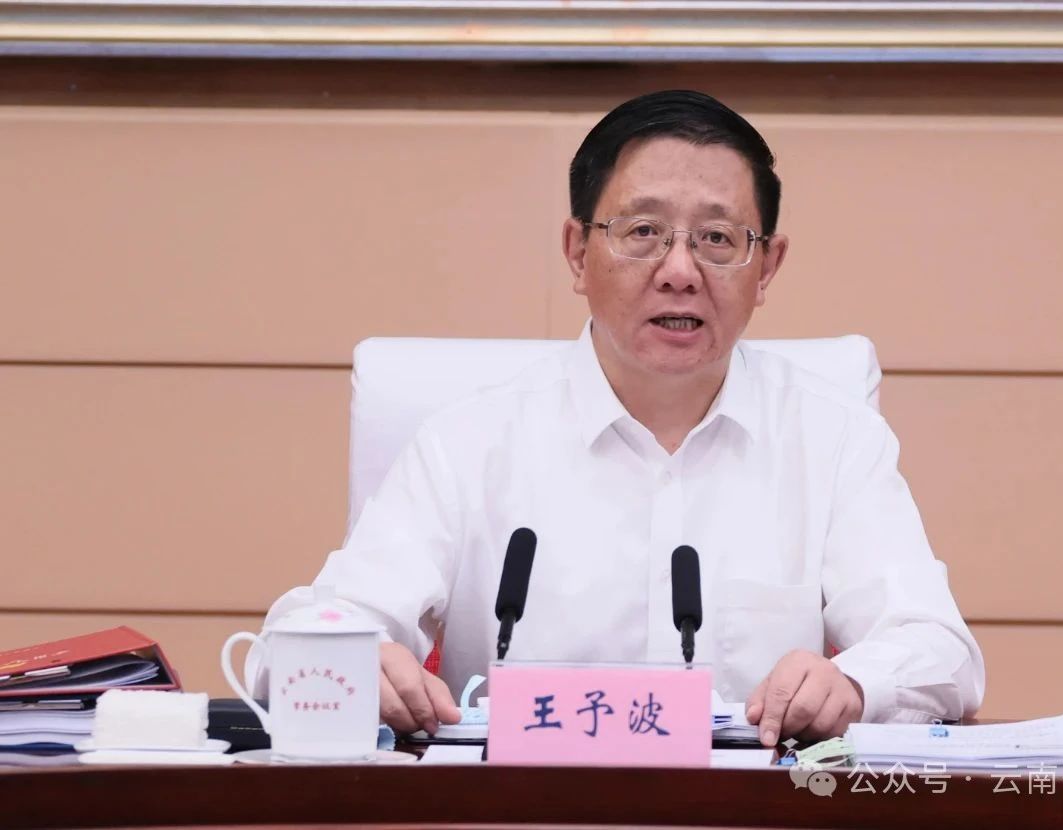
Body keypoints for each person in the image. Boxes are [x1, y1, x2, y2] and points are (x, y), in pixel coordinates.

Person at [258, 90, 984, 747]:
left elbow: (939, 648)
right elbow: (301, 636)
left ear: (767, 268)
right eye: (642, 231)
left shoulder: (833, 440)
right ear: (578, 253)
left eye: (718, 239)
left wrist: (852, 684)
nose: (680, 271)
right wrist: (354, 662)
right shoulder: (468, 443)